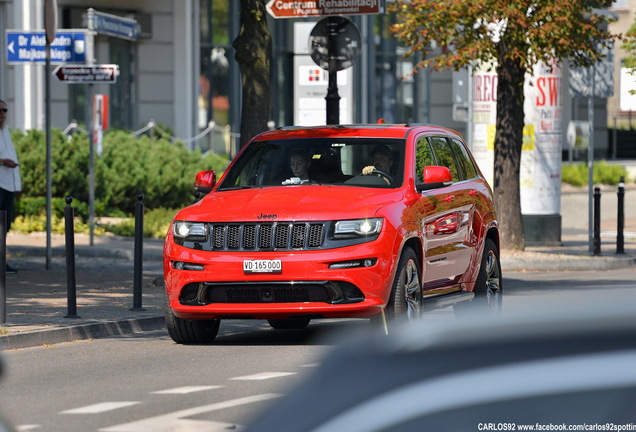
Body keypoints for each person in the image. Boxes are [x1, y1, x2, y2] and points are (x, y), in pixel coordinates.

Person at [0, 99, 21, 274]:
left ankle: (1, 262)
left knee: (5, 225)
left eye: (5, 110)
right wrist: (2, 161)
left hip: (9, 184)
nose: (3, 113)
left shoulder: (6, 132)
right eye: (0, 110)